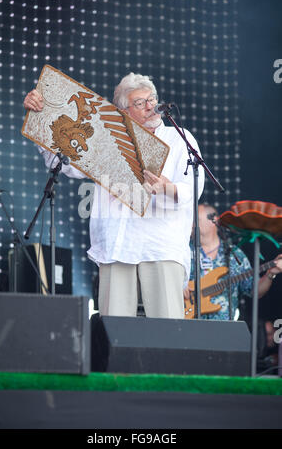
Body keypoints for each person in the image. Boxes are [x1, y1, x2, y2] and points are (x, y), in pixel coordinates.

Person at [23, 72, 205, 319]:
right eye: (140, 103)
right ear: (123, 110)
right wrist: (40, 115)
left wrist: (167, 187)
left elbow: (193, 187)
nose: (150, 106)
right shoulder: (103, 139)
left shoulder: (178, 138)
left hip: (160, 245)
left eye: (151, 99)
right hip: (117, 244)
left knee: (168, 329)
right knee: (113, 329)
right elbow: (65, 164)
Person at [184, 203, 282, 320]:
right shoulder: (183, 252)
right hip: (188, 322)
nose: (190, 223)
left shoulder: (234, 254)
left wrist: (270, 273)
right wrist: (177, 286)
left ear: (213, 220)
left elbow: (254, 291)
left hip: (223, 328)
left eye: (196, 219)